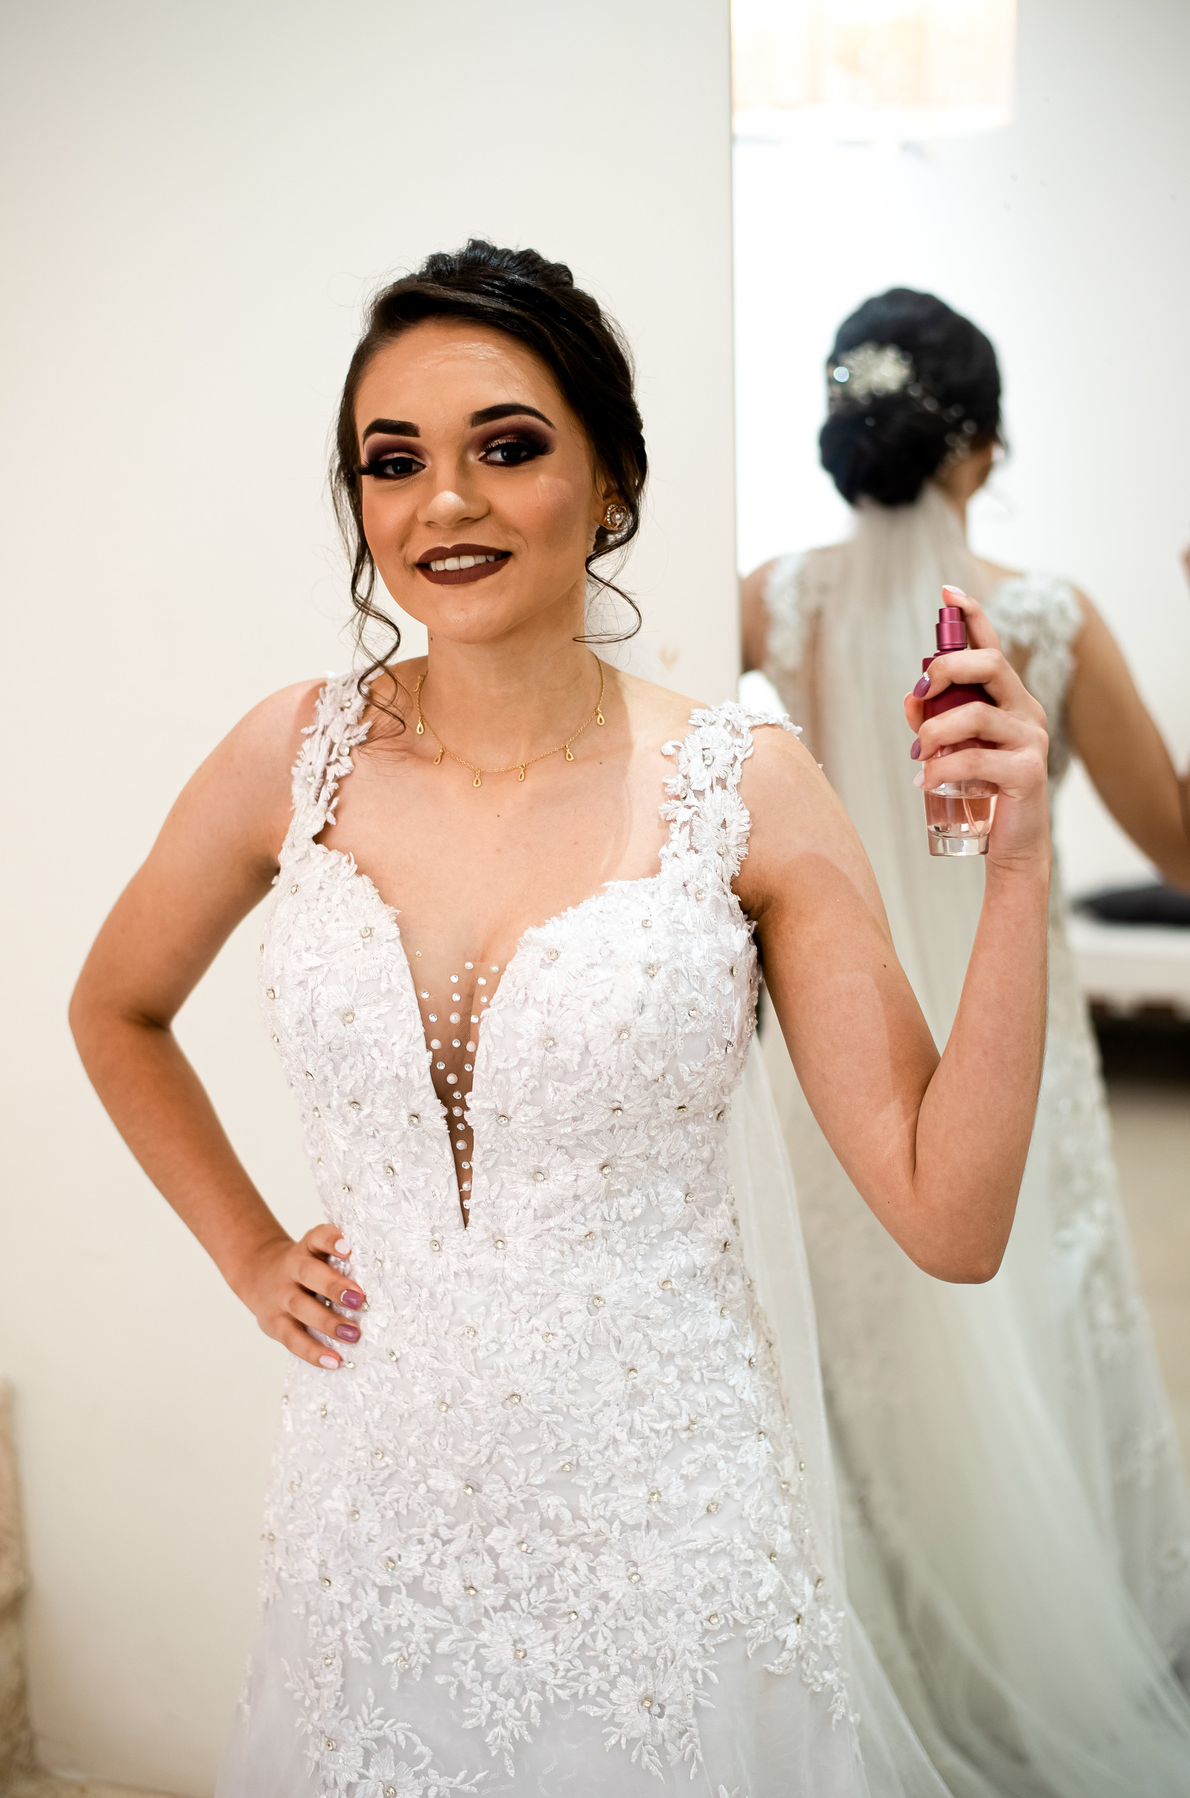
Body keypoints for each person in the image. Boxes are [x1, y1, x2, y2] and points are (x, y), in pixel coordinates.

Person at [68, 240, 1076, 1798]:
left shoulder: (745, 790)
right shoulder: (293, 758)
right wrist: (250, 1249)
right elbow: (116, 1007)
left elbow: (952, 1217)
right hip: (370, 1519)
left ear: (611, 483)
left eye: (507, 446)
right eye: (393, 462)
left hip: (665, 1535)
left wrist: (1017, 868)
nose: (443, 502)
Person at [743, 287, 1190, 1798]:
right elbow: (1181, 847)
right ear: (983, 451)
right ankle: (1049, 1655)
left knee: (856, 1354)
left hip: (839, 1058)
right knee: (1032, 1319)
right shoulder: (1049, 616)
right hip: (1015, 1052)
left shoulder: (773, 603)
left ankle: (888, 1671)